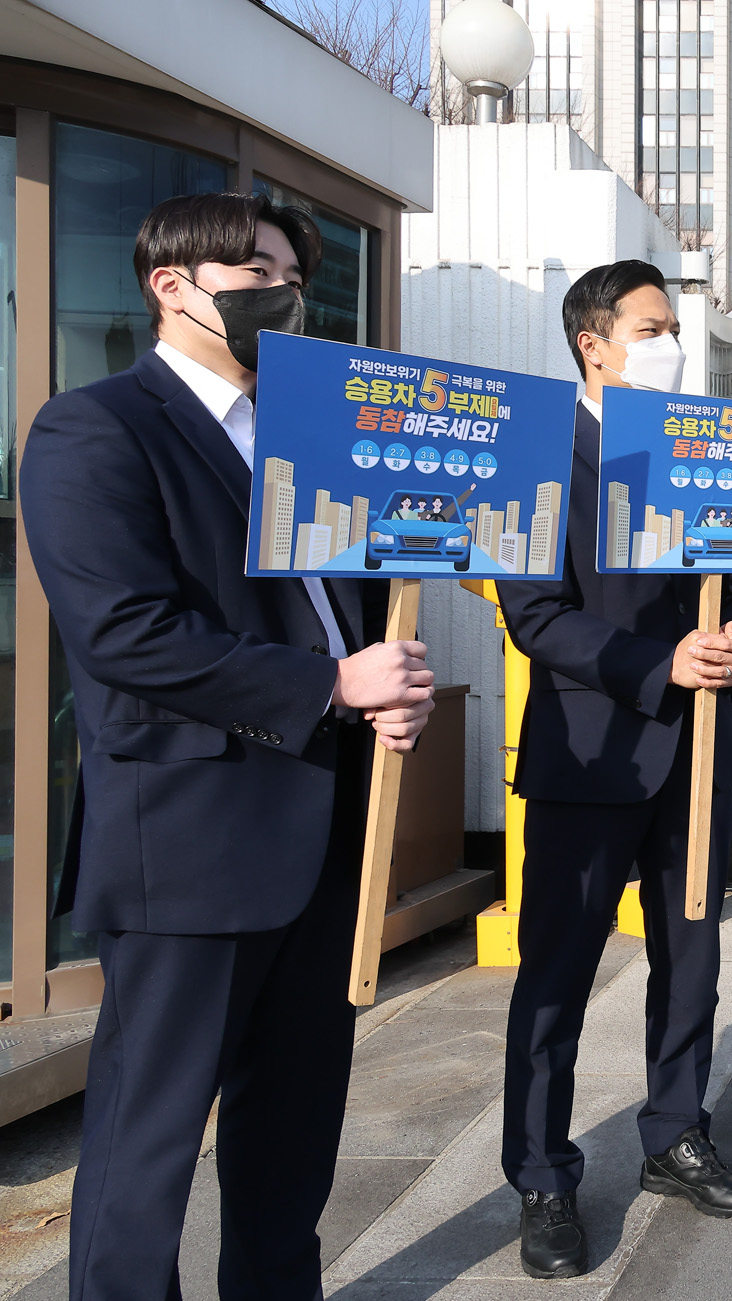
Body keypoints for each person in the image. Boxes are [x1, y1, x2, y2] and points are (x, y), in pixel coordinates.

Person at [21, 193, 434, 1301]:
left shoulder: (316, 440)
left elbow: (347, 619)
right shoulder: (94, 425)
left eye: (291, 270)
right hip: (188, 845)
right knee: (146, 1147)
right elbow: (123, 633)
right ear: (172, 284)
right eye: (254, 267)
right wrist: (326, 684)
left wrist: (382, 689)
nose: (281, 288)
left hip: (325, 830)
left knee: (292, 1138)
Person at [497, 259, 732, 1279]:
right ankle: (541, 1174)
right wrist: (661, 666)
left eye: (671, 326)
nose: (670, 342)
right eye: (652, 326)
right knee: (556, 978)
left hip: (694, 759)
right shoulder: (539, 455)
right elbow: (536, 618)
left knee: (690, 962)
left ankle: (674, 1132)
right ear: (592, 343)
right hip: (588, 757)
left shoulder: (693, 452)